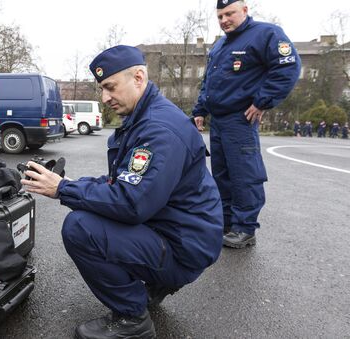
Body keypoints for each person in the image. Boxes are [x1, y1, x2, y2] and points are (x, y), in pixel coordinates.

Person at [21, 45, 223, 339]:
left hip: (184, 247)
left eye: (110, 87)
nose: (104, 98)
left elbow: (131, 204)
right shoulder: (145, 119)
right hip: (182, 234)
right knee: (93, 209)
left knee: (80, 227)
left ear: (138, 78)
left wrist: (63, 189)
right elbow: (123, 181)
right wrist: (73, 184)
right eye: (102, 89)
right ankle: (155, 285)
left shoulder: (159, 129)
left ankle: (132, 319)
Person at [192, 0, 301, 248]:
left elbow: (287, 67)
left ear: (244, 10)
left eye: (229, 13)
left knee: (243, 175)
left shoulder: (266, 34)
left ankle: (245, 228)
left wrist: (263, 101)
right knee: (222, 174)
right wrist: (200, 109)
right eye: (220, 16)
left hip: (241, 119)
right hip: (219, 120)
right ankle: (227, 223)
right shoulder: (220, 45)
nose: (224, 20)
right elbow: (209, 81)